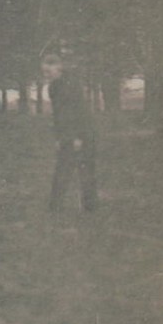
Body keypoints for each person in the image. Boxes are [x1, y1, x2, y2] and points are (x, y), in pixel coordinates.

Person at [42, 51, 97, 213]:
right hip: (66, 134)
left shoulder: (71, 84)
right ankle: (55, 207)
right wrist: (59, 138)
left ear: (58, 68)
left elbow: (78, 112)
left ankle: (90, 208)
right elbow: (59, 115)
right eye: (44, 72)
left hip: (84, 133)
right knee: (62, 169)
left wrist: (78, 137)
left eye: (49, 71)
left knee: (85, 170)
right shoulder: (53, 87)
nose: (46, 75)